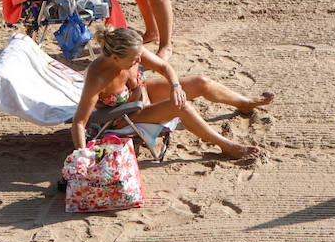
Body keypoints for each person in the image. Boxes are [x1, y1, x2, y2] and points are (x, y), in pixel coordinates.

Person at [71, 27, 274, 160]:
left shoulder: (132, 54)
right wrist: (83, 154)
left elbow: (165, 68)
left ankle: (244, 102)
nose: (139, 61)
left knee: (201, 82)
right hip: (125, 114)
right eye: (135, 59)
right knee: (182, 107)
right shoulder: (98, 78)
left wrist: (176, 86)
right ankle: (226, 145)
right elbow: (79, 122)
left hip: (142, 92)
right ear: (115, 58)